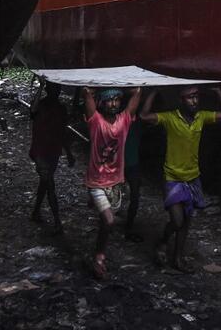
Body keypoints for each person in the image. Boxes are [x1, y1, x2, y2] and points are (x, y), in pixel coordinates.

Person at [140, 86, 221, 273]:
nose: (195, 101)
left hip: (193, 178)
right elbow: (144, 116)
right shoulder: (170, 118)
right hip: (173, 177)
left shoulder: (201, 117)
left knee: (187, 222)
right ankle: (163, 242)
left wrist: (218, 92)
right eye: (190, 98)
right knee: (177, 221)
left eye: (196, 97)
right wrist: (152, 93)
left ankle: (178, 258)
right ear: (181, 100)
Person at [82, 85, 142, 280]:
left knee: (105, 222)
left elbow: (138, 92)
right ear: (101, 103)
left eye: (116, 99)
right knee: (109, 220)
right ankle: (99, 257)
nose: (114, 103)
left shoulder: (124, 121)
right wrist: (94, 87)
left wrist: (123, 86)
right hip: (97, 181)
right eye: (109, 100)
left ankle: (100, 249)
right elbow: (86, 93)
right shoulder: (96, 121)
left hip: (116, 181)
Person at [29, 80, 75, 235]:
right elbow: (32, 112)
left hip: (53, 152)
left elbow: (63, 133)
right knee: (50, 185)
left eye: (57, 88)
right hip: (40, 151)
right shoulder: (40, 105)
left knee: (45, 182)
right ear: (48, 89)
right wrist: (40, 86)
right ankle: (57, 221)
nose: (56, 91)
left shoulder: (61, 109)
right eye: (52, 88)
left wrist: (68, 153)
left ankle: (35, 212)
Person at [122, 119, 144, 242]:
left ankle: (129, 226)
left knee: (135, 196)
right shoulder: (118, 121)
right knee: (111, 195)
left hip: (132, 164)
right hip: (119, 164)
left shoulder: (137, 124)